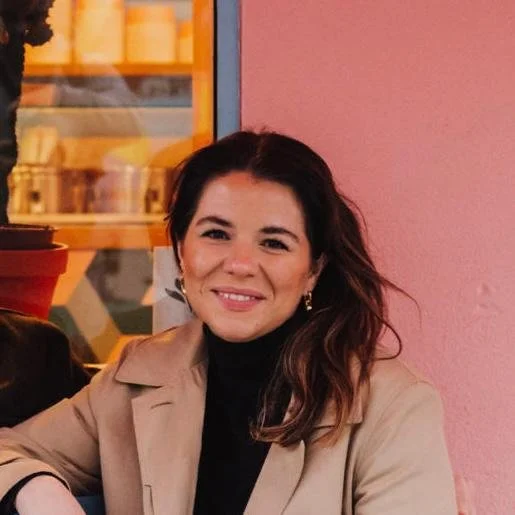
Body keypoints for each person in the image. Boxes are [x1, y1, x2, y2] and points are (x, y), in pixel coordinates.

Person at [0, 130, 458, 514]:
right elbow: (9, 452)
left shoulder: (392, 406)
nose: (239, 264)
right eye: (216, 234)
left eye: (274, 243)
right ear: (181, 250)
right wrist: (38, 490)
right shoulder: (137, 376)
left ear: (314, 269)